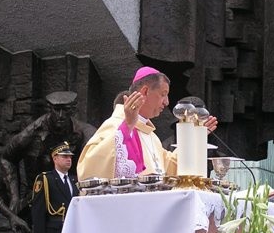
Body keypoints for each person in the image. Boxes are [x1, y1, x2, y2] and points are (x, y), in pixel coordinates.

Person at [77, 67, 217, 179]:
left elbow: (174, 166)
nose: (167, 102)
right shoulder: (115, 125)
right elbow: (88, 168)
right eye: (163, 94)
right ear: (145, 91)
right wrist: (128, 126)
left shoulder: (151, 136)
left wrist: (196, 137)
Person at [1, 91, 96, 214]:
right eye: (56, 110)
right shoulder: (32, 132)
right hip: (39, 201)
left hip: (73, 200)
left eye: (65, 110)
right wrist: (14, 198)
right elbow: (7, 158)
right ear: (49, 109)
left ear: (73, 110)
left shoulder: (87, 134)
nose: (61, 115)